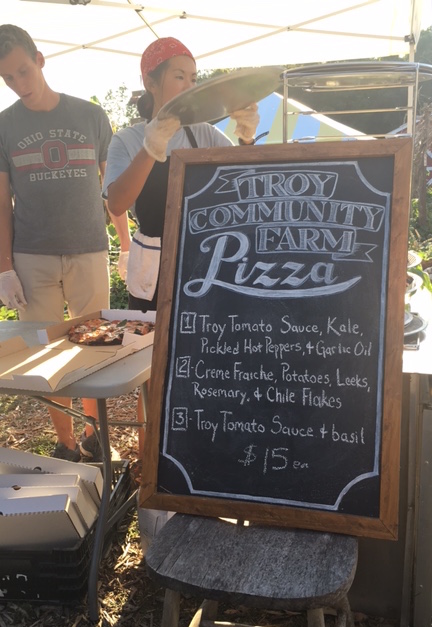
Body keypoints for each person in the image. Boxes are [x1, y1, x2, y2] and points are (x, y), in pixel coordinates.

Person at [103, 36, 259, 460]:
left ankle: (201, 455)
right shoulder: (128, 140)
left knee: (206, 360)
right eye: (178, 76)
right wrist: (152, 149)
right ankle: (150, 459)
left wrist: (246, 140)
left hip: (206, 266)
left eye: (193, 77)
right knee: (152, 367)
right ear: (150, 81)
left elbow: (246, 187)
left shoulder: (205, 133)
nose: (189, 85)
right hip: (153, 268)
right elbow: (117, 202)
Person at [0, 24, 131, 462]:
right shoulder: (4, 126)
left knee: (95, 345)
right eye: (8, 79)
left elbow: (113, 188)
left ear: (40, 59)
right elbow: (1, 201)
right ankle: (67, 443)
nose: (20, 85)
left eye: (23, 71)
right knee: (44, 353)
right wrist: (4, 265)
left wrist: (126, 245)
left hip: (89, 248)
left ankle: (97, 435)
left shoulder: (90, 115)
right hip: (32, 254)